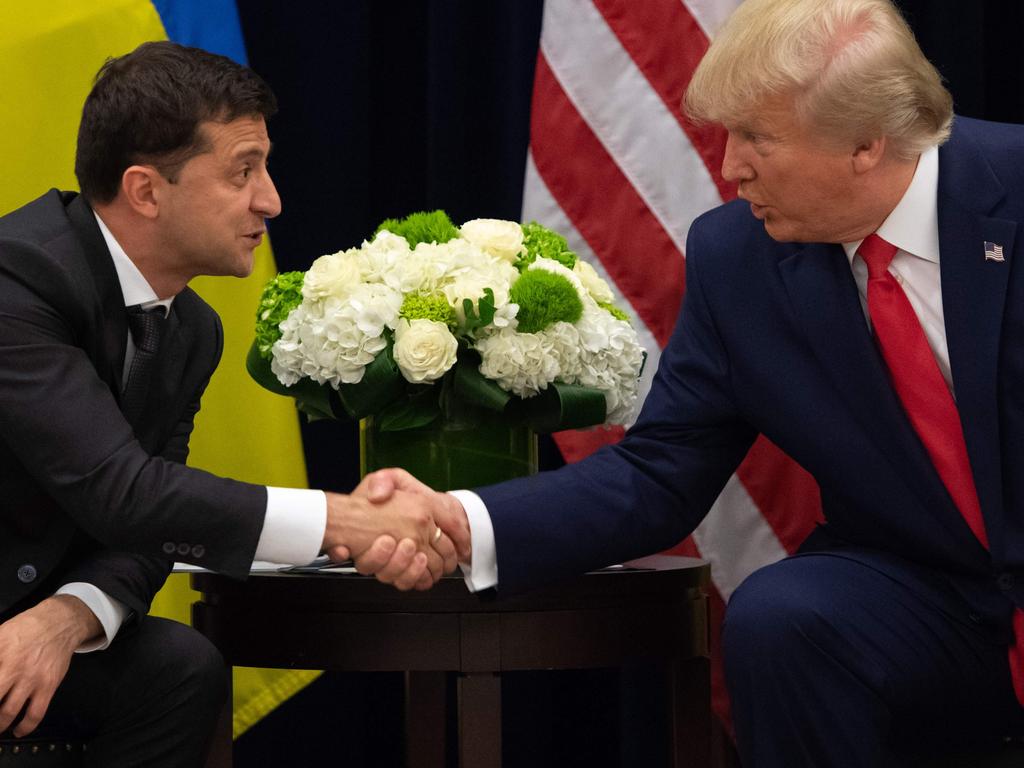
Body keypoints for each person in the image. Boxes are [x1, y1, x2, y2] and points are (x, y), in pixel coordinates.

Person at [361, 0, 1024, 764]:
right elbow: (659, 472)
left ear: (866, 144)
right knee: (782, 616)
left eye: (757, 139)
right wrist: (456, 520)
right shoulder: (736, 255)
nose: (729, 166)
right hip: (925, 595)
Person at [0, 41, 454, 766]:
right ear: (146, 190)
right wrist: (344, 521)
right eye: (243, 171)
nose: (271, 200)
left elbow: (148, 530)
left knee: (178, 670)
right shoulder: (16, 281)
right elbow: (124, 491)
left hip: (22, 630)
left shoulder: (190, 327)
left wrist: (69, 616)